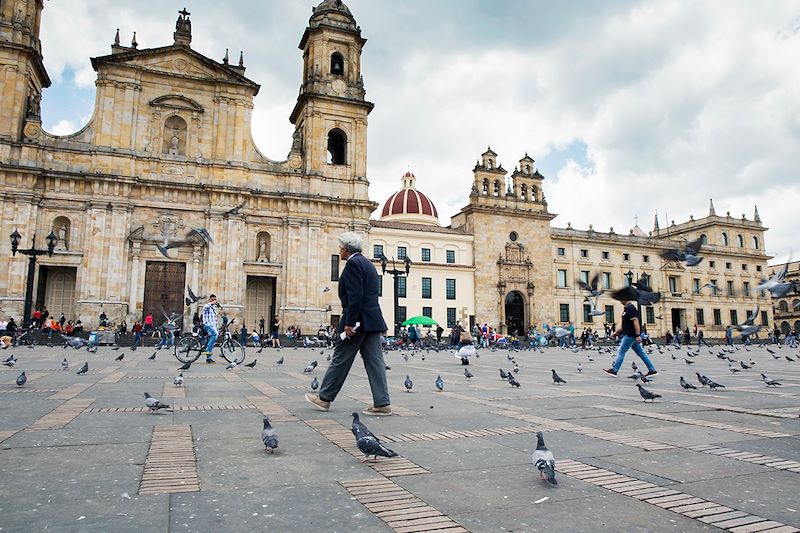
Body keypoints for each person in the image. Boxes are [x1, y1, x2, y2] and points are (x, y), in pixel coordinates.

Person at [306, 232, 391, 416]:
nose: (340, 250)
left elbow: (355, 296)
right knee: (375, 362)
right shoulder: (367, 263)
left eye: (340, 247)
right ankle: (382, 402)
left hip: (358, 322)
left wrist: (349, 323)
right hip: (373, 320)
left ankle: (324, 397)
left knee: (340, 358)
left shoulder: (353, 264)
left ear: (345, 248)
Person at [603, 287, 658, 377]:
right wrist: (616, 332)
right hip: (630, 334)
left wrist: (637, 335)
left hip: (630, 335)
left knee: (621, 351)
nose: (620, 300)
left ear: (625, 298)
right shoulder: (627, 308)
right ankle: (652, 370)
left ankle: (614, 370)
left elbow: (636, 322)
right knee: (641, 353)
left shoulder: (631, 308)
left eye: (621, 298)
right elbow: (625, 324)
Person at [202, 295, 219, 363]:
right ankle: (207, 350)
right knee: (214, 335)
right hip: (208, 325)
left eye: (215, 299)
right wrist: (212, 303)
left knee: (212, 341)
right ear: (210, 300)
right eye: (212, 299)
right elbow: (205, 307)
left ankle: (208, 358)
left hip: (213, 326)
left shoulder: (213, 308)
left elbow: (215, 319)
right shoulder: (207, 306)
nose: (214, 301)